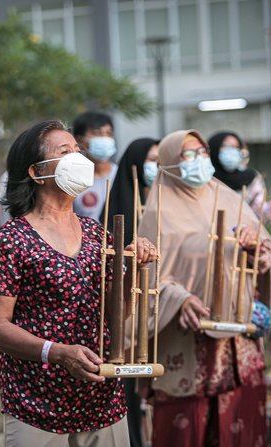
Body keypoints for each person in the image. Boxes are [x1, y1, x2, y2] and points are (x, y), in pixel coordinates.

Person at [0, 120, 157, 446]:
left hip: (102, 394)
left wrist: (134, 270)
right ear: (36, 172)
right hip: (37, 400)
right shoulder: (11, 239)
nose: (78, 158)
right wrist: (57, 353)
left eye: (77, 150)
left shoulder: (94, 232)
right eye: (65, 152)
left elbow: (117, 316)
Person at [137, 129, 271, 446]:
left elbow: (266, 253)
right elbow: (143, 280)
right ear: (171, 162)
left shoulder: (229, 198)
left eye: (202, 152)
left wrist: (258, 251)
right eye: (188, 154)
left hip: (238, 343)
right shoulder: (158, 213)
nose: (199, 160)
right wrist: (178, 298)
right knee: (187, 431)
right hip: (187, 342)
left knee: (241, 426)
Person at [101, 136, 159, 447]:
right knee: (128, 402)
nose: (158, 166)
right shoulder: (117, 208)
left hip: (164, 314)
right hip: (129, 318)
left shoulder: (168, 205)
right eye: (151, 159)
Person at [208, 131, 271, 223]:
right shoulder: (205, 180)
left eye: (236, 147)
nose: (232, 151)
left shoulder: (250, 179)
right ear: (214, 148)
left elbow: (259, 216)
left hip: (242, 236)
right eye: (227, 146)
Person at [72, 111, 119, 221]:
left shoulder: (120, 175)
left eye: (109, 134)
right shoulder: (72, 180)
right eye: (98, 133)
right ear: (79, 141)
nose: (105, 139)